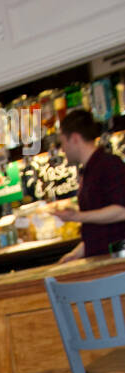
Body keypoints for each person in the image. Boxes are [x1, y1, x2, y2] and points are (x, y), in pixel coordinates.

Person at [51, 109, 125, 262]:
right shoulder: (90, 170)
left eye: (63, 142)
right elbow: (98, 229)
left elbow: (121, 211)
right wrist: (76, 254)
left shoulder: (108, 164)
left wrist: (77, 216)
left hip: (117, 263)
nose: (62, 149)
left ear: (75, 138)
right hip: (104, 261)